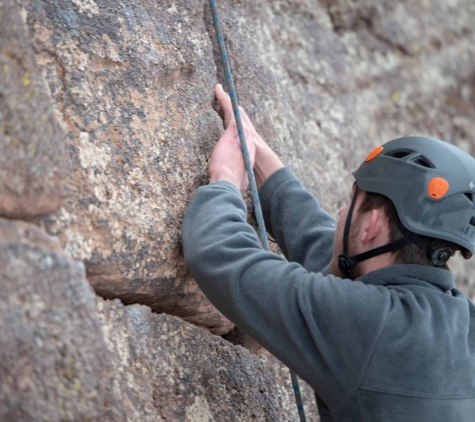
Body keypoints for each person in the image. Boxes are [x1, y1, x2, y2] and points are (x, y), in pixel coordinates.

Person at [182, 84, 475, 421]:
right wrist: (260, 159)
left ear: (370, 227)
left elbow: (219, 254)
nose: (340, 212)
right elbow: (335, 260)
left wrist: (225, 178)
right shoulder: (459, 322)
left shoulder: (372, 323)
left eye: (352, 202)